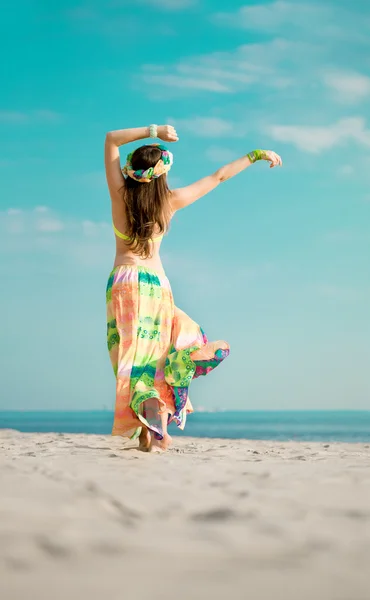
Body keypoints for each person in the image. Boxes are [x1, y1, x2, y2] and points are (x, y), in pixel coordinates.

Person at [104, 123, 282, 452]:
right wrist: (254, 155)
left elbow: (111, 139)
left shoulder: (119, 194)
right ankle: (180, 371)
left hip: (124, 282)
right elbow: (218, 178)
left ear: (132, 171)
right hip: (156, 284)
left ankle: (148, 432)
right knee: (159, 356)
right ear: (161, 176)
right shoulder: (170, 201)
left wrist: (154, 131)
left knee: (133, 359)